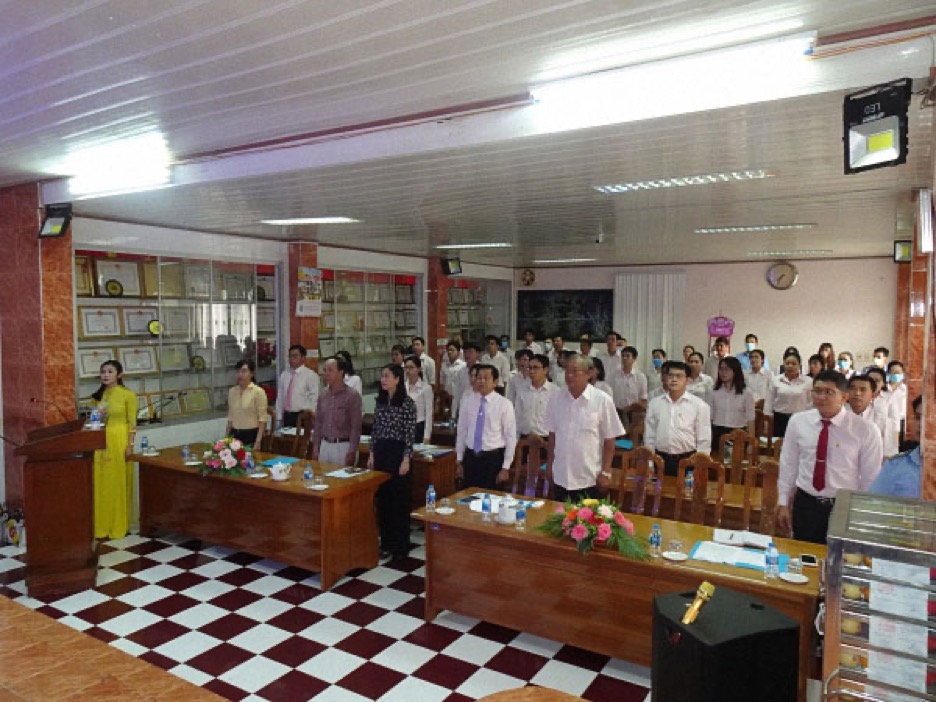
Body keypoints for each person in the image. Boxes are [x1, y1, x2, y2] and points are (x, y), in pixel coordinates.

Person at [777, 371, 883, 544]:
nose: (821, 397)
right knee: (803, 553)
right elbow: (788, 464)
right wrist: (783, 502)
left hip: (843, 507)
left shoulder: (865, 430)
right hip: (806, 503)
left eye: (829, 392)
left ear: (844, 397)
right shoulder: (798, 422)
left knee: (838, 556)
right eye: (817, 391)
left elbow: (870, 477)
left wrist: (863, 514)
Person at [545, 355, 624, 502]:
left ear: (589, 373)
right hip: (560, 476)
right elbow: (553, 435)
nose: (569, 375)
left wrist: (606, 472)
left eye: (575, 371)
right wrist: (550, 466)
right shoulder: (555, 398)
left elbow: (610, 439)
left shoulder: (602, 400)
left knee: (586, 517)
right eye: (567, 371)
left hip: (589, 478)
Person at [369, 363, 417, 561]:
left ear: (397, 379)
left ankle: (400, 546)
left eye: (387, 376)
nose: (383, 380)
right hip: (381, 451)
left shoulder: (407, 403)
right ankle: (386, 543)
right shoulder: (380, 401)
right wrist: (372, 454)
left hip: (398, 454)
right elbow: (375, 430)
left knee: (398, 500)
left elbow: (410, 434)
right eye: (382, 376)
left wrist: (406, 459)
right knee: (383, 499)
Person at [91, 360, 138, 540]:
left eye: (110, 371)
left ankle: (119, 524)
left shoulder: (128, 395)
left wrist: (129, 445)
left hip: (119, 440)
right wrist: (100, 417)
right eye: (103, 372)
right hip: (101, 441)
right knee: (102, 482)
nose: (105, 375)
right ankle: (101, 524)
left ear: (119, 375)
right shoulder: (97, 396)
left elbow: (132, 423)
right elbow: (93, 422)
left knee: (117, 481)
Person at [644, 361, 712, 476]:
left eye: (679, 376)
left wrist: (700, 466)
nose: (674, 379)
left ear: (687, 380)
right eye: (671, 375)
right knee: (659, 487)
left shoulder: (699, 405)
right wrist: (649, 462)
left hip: (688, 460)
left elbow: (704, 440)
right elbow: (649, 436)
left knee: (686, 488)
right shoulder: (654, 404)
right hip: (660, 459)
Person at [455, 364, 517, 490]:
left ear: (495, 382)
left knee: (491, 497)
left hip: (492, 459)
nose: (481, 381)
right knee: (468, 495)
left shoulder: (504, 404)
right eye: (479, 377)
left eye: (486, 378)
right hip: (471, 457)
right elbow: (461, 431)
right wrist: (459, 460)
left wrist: (505, 467)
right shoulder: (467, 401)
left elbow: (511, 437)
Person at [312, 356, 363, 467]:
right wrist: (316, 447)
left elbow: (356, 426)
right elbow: (318, 423)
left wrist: (352, 451)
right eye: (324, 370)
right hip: (325, 445)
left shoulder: (352, 395)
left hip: (343, 445)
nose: (326, 374)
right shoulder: (323, 395)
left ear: (341, 372)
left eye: (330, 370)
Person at [870, 396, 922, 498]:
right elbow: (872, 503)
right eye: (918, 418)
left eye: (931, 418)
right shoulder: (895, 466)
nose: (921, 424)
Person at [708, 356, 755, 448]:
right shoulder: (713, 391)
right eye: (721, 369)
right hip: (718, 432)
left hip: (739, 433)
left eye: (727, 369)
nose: (723, 372)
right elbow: (709, 418)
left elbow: (751, 420)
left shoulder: (746, 393)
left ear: (735, 371)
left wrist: (751, 443)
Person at [847, 374, 899, 457]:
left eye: (863, 390)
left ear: (873, 395)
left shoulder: (882, 420)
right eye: (852, 389)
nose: (857, 393)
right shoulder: (839, 415)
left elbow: (889, 454)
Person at [764, 353, 812, 437]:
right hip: (779, 419)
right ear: (784, 365)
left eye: (793, 363)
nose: (790, 366)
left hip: (800, 419)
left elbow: (810, 402)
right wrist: (767, 419)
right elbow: (769, 401)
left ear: (799, 366)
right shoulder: (776, 380)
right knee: (779, 443)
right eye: (787, 363)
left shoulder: (808, 381)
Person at [275, 344, 319, 428]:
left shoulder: (310, 375)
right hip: (287, 415)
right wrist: (279, 417)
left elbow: (314, 398)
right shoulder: (284, 375)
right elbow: (280, 397)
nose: (291, 359)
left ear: (303, 358)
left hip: (303, 416)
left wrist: (311, 416)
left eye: (295, 356)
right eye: (290, 356)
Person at [226, 359, 268, 446]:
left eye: (244, 371)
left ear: (252, 374)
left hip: (251, 435)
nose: (240, 374)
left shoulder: (258, 392)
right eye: (238, 371)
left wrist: (258, 441)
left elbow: (262, 419)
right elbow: (230, 417)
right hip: (234, 434)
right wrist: (226, 438)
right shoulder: (232, 391)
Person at [515, 353, 555, 440]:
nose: (532, 371)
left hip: (546, 438)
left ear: (545, 370)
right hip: (525, 437)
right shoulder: (522, 389)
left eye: (536, 368)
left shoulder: (555, 392)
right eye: (530, 368)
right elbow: (517, 416)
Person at [610, 345, 648, 427]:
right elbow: (609, 394)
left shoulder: (640, 377)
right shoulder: (614, 375)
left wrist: (632, 407)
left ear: (634, 359)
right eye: (623, 356)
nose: (624, 358)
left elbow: (643, 399)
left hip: (633, 413)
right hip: (616, 412)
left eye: (627, 356)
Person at [404, 355, 433, 443]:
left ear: (419, 369)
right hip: (404, 426)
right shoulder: (402, 387)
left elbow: (429, 413)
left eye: (411, 367)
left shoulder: (426, 388)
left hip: (418, 425)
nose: (408, 370)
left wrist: (427, 436)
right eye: (406, 368)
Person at [451, 341, 481, 420]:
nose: (467, 355)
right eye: (465, 352)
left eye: (470, 352)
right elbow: (456, 394)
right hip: (464, 409)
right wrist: (453, 414)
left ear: (477, 354)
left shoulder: (484, 371)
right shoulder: (460, 372)